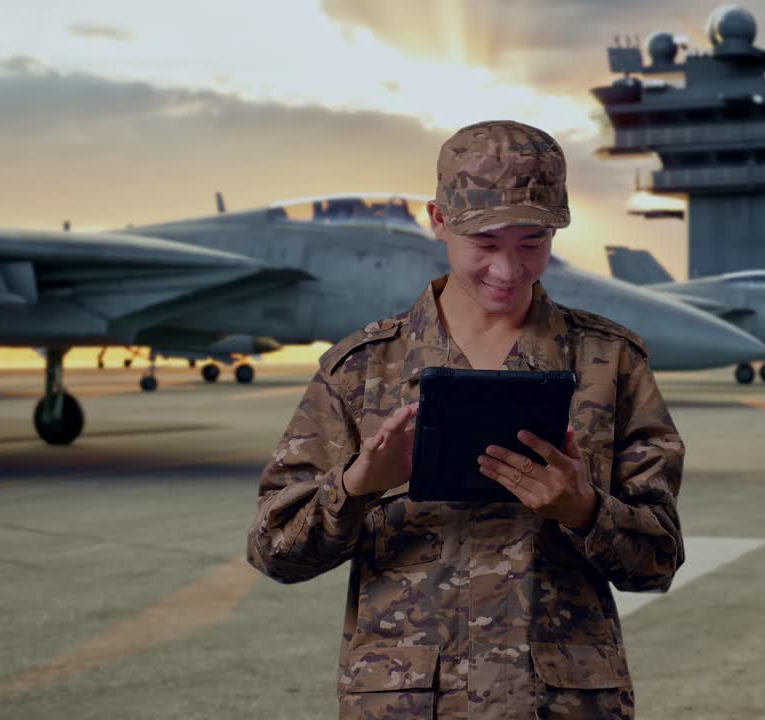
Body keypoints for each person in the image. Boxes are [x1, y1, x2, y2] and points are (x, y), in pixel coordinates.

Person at [246, 119, 686, 719]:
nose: (508, 269)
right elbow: (274, 552)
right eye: (486, 242)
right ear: (439, 219)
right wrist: (356, 485)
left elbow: (658, 562)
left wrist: (583, 510)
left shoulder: (610, 364)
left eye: (532, 242)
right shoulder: (360, 371)